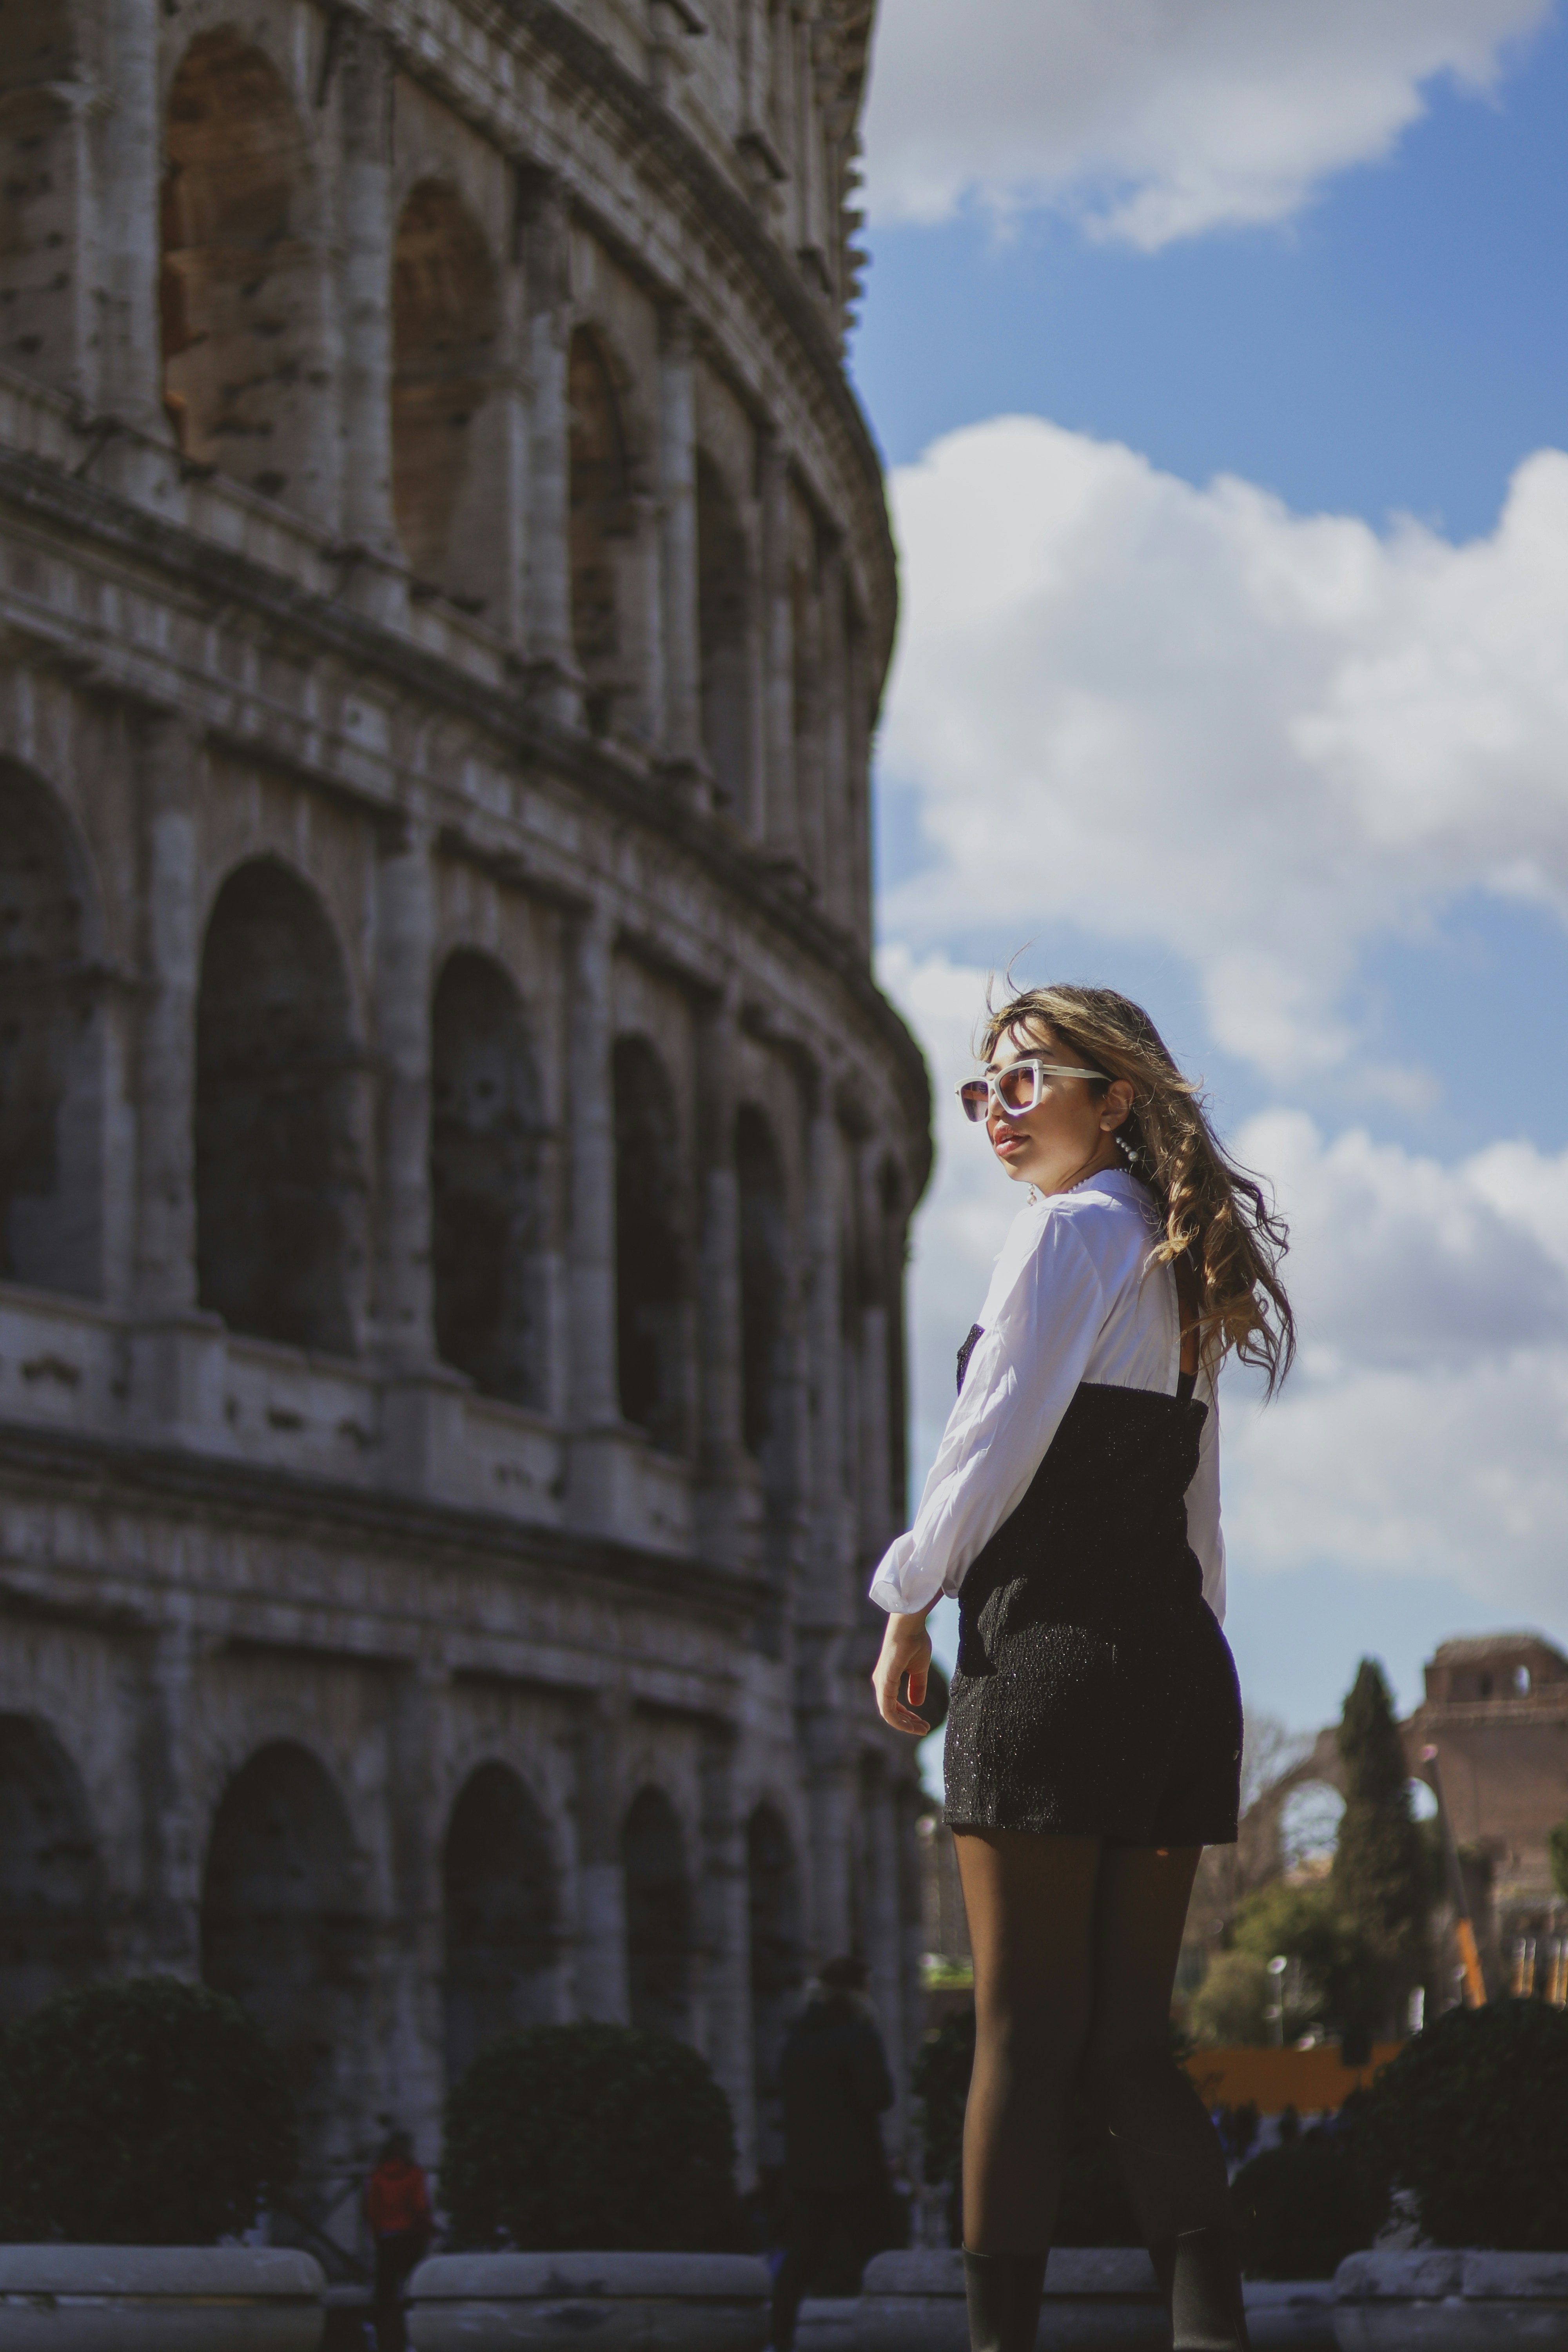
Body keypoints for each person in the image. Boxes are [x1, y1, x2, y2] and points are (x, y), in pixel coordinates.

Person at [869, 984, 1294, 2352]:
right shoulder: (1184, 1259)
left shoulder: (1062, 1234)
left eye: (1024, 1081)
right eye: (977, 1091)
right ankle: (1211, 2331)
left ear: (1113, 1099)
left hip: (1049, 1665)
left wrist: (907, 1599)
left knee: (1019, 2040)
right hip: (1176, 1678)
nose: (995, 1112)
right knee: (1127, 2047)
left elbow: (988, 1442)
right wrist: (1200, 1651)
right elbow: (1198, 1508)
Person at [770, 1955, 896, 2352]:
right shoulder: (856, 2034)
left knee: (801, 2257)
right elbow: (877, 2095)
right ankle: (896, 2335)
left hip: (807, 2168)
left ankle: (779, 2338)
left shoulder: (797, 2038)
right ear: (858, 1990)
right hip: (855, 2166)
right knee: (878, 2255)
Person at [365, 2130, 434, 2352]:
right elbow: (420, 2206)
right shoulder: (415, 2173)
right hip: (411, 2236)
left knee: (385, 2291)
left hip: (386, 2237)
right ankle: (410, 2337)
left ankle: (385, 2340)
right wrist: (429, 2228)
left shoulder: (378, 2175)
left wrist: (377, 2233)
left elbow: (372, 2209)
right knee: (412, 2288)